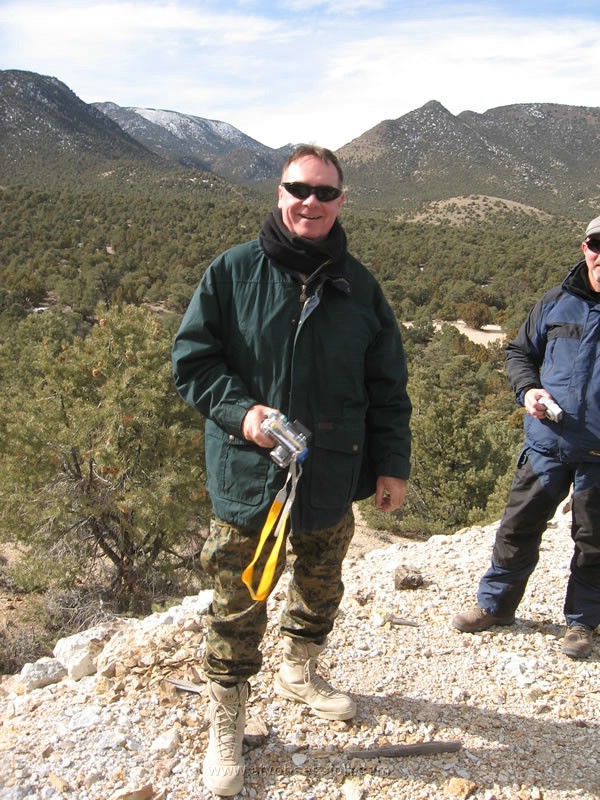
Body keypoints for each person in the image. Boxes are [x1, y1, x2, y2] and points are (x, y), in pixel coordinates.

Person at [172, 144, 412, 796]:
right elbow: (192, 364)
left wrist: (392, 465)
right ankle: (228, 719)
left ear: (340, 202)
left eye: (325, 192)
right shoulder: (231, 273)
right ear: (280, 193)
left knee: (320, 584)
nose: (311, 202)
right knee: (237, 603)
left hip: (330, 476)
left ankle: (299, 671)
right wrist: (241, 413)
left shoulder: (359, 288)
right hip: (250, 477)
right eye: (298, 188)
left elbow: (386, 386)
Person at [452, 215, 600, 661]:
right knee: (517, 527)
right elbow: (520, 352)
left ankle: (582, 623)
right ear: (585, 248)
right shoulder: (556, 302)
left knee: (594, 539)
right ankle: (496, 606)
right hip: (547, 442)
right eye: (597, 243)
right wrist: (527, 390)